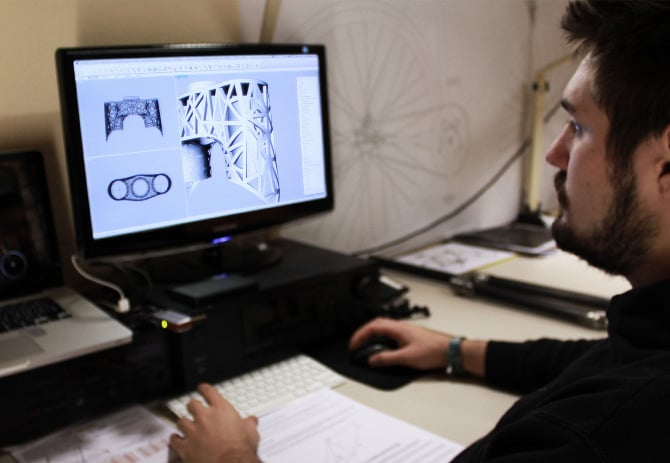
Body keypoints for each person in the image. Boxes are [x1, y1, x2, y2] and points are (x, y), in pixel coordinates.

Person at [169, 1, 670, 461]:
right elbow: (603, 357)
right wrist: (457, 351)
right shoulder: (648, 336)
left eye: (578, 128)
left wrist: (230, 458)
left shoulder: (598, 435)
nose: (555, 154)